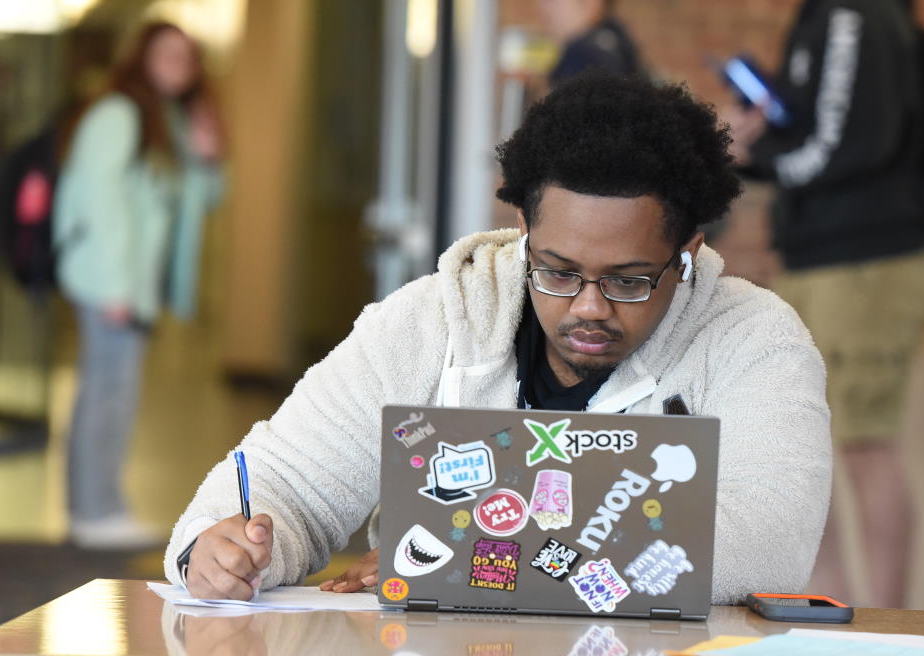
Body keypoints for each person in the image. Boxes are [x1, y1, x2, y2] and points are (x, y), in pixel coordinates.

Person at [164, 73, 831, 604]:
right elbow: (287, 482)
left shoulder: (755, 342)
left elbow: (766, 540)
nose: (588, 308)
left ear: (687, 252)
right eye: (558, 272)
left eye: (629, 280)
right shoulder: (431, 320)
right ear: (522, 229)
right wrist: (218, 549)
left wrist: (466, 557)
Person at [723, 0, 924, 608]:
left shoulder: (854, 14)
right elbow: (825, 128)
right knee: (806, 445)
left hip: (863, 264)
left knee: (864, 446)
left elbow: (845, 143)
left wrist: (757, 154)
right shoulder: (823, 17)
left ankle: (882, 629)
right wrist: (765, 131)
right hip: (823, 258)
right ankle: (837, 619)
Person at [55, 22, 226, 549]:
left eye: (187, 57)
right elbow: (100, 200)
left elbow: (203, 200)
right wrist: (114, 287)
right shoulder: (117, 114)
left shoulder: (164, 121)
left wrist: (205, 151)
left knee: (113, 390)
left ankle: (98, 507)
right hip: (109, 281)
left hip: (131, 283)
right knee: (108, 391)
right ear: (142, 59)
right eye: (166, 55)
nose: (179, 66)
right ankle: (94, 511)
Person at [540, 0, 643, 85]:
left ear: (590, 3)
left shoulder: (583, 56)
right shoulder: (615, 39)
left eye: (552, 1)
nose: (543, 7)